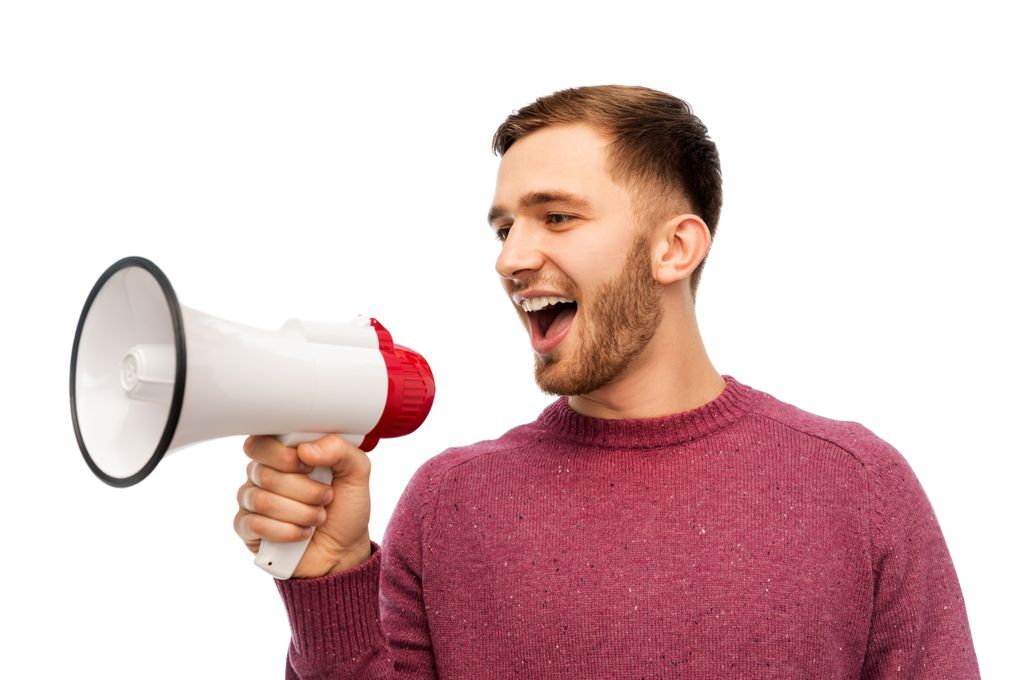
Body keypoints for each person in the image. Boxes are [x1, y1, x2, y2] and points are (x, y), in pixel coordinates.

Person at [233, 85, 981, 678]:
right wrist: (330, 582)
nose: (510, 259)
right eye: (503, 228)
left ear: (675, 248)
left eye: (555, 217)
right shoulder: (449, 501)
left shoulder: (856, 485)